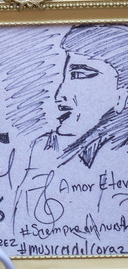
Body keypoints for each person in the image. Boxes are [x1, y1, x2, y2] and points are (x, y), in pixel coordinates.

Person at [13, 24, 128, 233]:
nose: (60, 95)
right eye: (66, 75)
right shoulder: (45, 150)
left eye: (80, 75)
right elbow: (23, 234)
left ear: (122, 95)